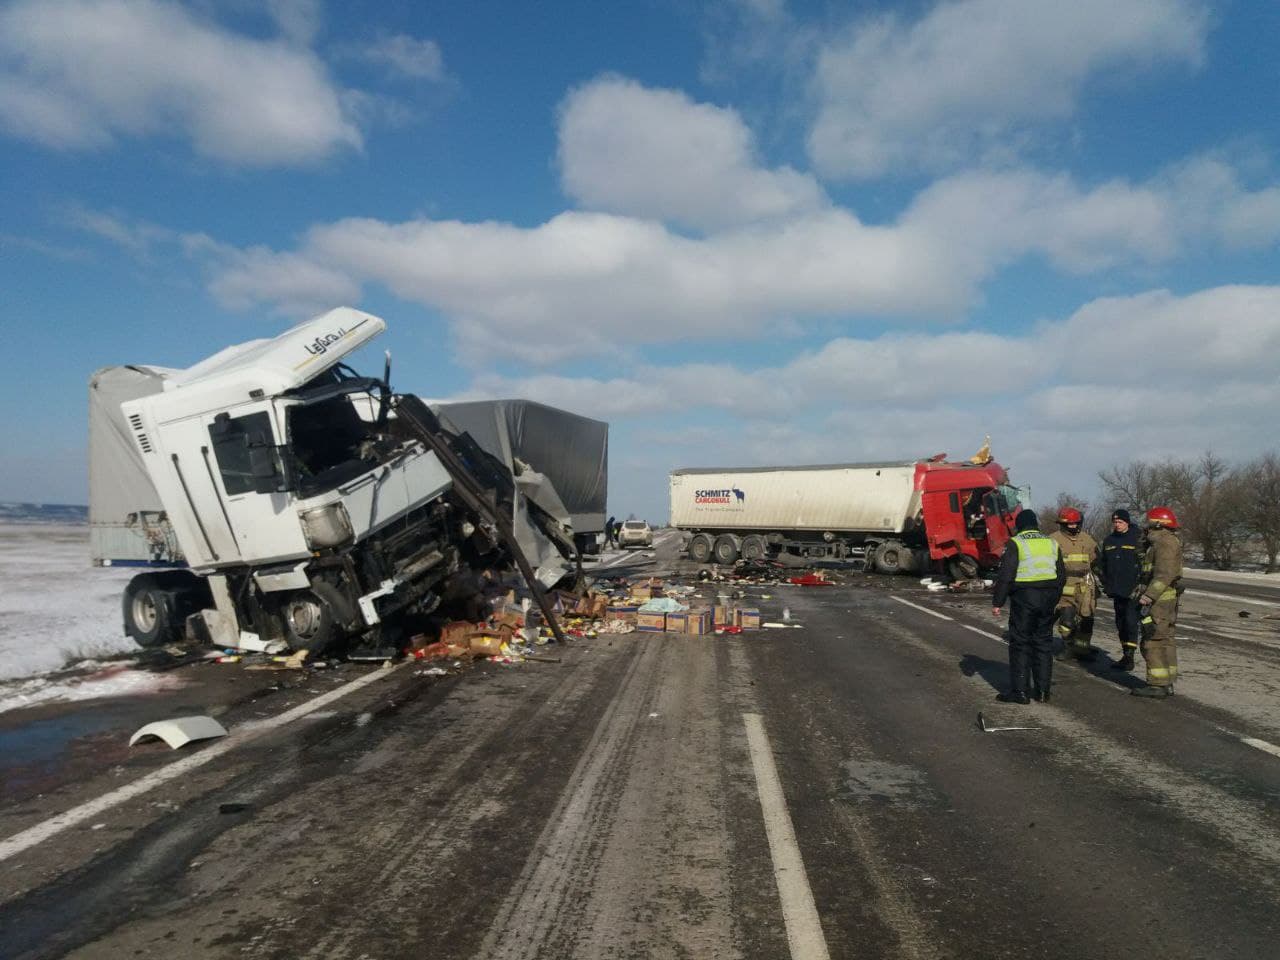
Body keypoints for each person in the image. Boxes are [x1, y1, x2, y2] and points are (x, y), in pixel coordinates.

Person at [991, 509, 1067, 704]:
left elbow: (1006, 575)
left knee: (1021, 643)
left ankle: (1020, 692)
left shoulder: (1016, 543)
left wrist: (998, 602)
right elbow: (1061, 575)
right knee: (1043, 643)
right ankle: (1042, 692)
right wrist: (1054, 597)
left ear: (1019, 525)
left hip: (1024, 598)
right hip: (1048, 598)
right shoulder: (1051, 542)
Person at [1131, 506, 1183, 698]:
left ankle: (1157, 684)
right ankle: (1166, 682)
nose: (1146, 527)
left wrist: (1149, 596)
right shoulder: (1162, 542)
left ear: (1158, 524)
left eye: (1149, 523)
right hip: (1165, 599)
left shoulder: (1164, 542)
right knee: (1165, 639)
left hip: (1159, 602)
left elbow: (1164, 574)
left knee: (1152, 639)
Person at [1049, 507, 1100, 661]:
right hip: (1064, 584)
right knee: (1067, 619)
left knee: (1086, 619)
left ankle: (1082, 649)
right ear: (1062, 524)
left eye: (1075, 523)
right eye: (1069, 524)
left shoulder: (1087, 539)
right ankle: (1068, 646)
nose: (1073, 526)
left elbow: (1096, 561)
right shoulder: (1053, 539)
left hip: (1085, 585)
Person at [1100, 509, 1143, 670]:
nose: (1117, 525)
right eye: (1115, 522)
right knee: (1121, 623)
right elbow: (1103, 563)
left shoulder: (1138, 538)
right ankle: (1125, 654)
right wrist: (1105, 581)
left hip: (1133, 589)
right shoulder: (1109, 540)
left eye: (1120, 522)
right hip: (1116, 589)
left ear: (1127, 522)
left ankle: (1130, 656)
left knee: (1131, 622)